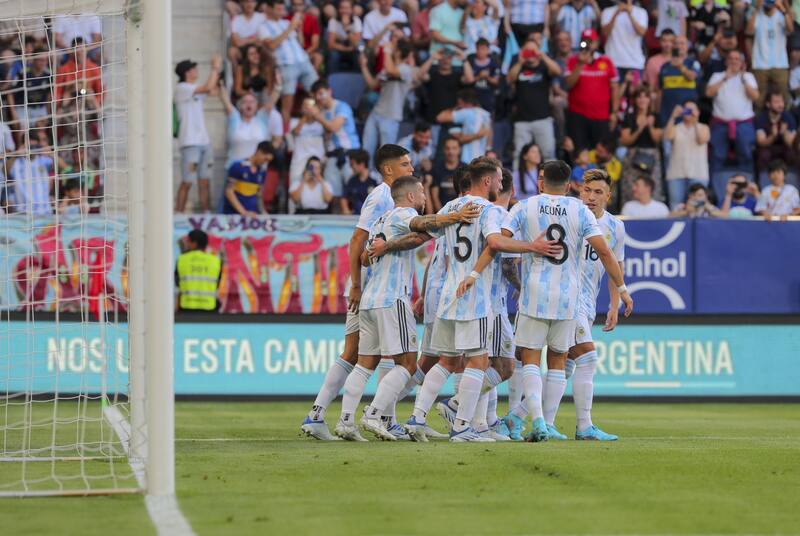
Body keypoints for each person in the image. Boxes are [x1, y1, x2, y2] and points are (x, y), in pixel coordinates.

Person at [462, 160, 631, 442]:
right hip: (569, 299)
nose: (590, 197)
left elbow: (497, 243)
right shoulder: (580, 211)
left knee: (536, 359)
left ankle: (529, 420)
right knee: (569, 360)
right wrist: (624, 289)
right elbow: (605, 253)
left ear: (542, 182)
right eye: (586, 190)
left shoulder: (524, 207)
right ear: (570, 187)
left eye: (597, 192)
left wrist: (474, 271)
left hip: (536, 295)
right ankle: (563, 424)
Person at [418, 157, 559, 442]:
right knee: (480, 362)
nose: (500, 183)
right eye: (498, 179)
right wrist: (533, 247)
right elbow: (495, 245)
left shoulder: (449, 208)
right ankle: (463, 425)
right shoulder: (491, 211)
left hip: (449, 293)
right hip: (479, 297)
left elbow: (422, 230)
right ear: (487, 181)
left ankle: (418, 417)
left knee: (447, 361)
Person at [336, 176, 482, 441]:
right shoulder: (405, 213)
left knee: (365, 363)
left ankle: (346, 420)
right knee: (407, 363)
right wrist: (454, 215)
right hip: (392, 299)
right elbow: (421, 223)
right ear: (412, 196)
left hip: (369, 301)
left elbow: (364, 259)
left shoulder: (382, 221)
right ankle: (375, 414)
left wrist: (386, 247)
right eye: (423, 192)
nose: (425, 197)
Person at [300, 144, 415, 441]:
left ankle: (320, 416)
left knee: (361, 355)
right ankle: (375, 418)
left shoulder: (393, 197)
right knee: (369, 354)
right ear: (388, 169)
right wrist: (355, 284)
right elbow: (357, 239)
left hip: (371, 287)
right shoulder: (382, 196)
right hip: (370, 288)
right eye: (405, 164)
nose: (411, 169)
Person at [705, 51, 759, 198]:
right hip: (721, 123)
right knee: (717, 157)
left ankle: (748, 192)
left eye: (737, 59)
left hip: (743, 123)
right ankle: (715, 193)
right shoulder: (718, 76)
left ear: (742, 63)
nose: (734, 62)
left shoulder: (748, 77)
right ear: (726, 62)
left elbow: (755, 96)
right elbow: (709, 93)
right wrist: (725, 78)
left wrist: (742, 78)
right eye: (731, 59)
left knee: (746, 156)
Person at [259, 0, 319, 127]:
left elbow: (301, 44)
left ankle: (313, 121)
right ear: (269, 9)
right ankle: (286, 134)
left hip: (303, 60)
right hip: (286, 65)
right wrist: (290, 28)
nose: (281, 12)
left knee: (317, 92)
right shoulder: (263, 27)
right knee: (288, 102)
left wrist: (299, 30)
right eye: (278, 9)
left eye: (282, 9)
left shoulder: (286, 22)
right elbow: (272, 45)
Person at [173, 55, 221, 213]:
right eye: (194, 68)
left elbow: (213, 90)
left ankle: (206, 213)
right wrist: (214, 68)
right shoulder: (182, 88)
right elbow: (208, 88)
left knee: (204, 180)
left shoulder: (192, 88)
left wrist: (219, 74)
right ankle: (178, 214)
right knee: (188, 181)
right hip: (190, 143)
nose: (197, 71)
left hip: (203, 142)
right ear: (187, 72)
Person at [360, 40, 418, 168]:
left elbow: (391, 70)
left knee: (386, 156)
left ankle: (386, 186)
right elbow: (372, 85)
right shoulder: (387, 70)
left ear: (397, 52)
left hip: (391, 117)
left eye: (394, 49)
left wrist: (386, 50)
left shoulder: (407, 69)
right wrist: (363, 66)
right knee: (366, 150)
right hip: (376, 113)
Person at [564, 29, 619, 151]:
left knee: (600, 152)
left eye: (591, 41)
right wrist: (579, 64)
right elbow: (568, 84)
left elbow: (615, 88)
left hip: (601, 116)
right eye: (585, 41)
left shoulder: (606, 61)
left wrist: (614, 112)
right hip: (578, 115)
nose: (588, 44)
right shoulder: (573, 60)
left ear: (597, 42)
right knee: (579, 153)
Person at [508, 35, 561, 162]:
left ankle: (551, 182)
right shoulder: (519, 66)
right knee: (519, 157)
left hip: (543, 119)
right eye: (527, 50)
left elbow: (557, 71)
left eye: (533, 50)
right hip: (522, 121)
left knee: (549, 156)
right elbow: (510, 79)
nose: (530, 54)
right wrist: (520, 62)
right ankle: (519, 181)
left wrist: (542, 56)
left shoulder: (543, 66)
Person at [307, 79, 361, 199]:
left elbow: (334, 127)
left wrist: (316, 115)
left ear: (329, 91)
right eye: (316, 95)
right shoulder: (322, 112)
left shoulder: (342, 107)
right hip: (332, 156)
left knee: (354, 194)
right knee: (332, 196)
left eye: (321, 93)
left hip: (350, 156)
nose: (318, 97)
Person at [620, 85, 663, 206]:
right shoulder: (629, 117)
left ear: (649, 99)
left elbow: (657, 140)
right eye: (639, 96)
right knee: (631, 189)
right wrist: (639, 129)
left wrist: (649, 126)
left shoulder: (656, 117)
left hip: (651, 155)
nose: (642, 99)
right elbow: (625, 141)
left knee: (653, 187)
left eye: (645, 96)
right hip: (633, 155)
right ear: (635, 100)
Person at [218, 89, 283, 168]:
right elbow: (226, 102)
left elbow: (271, 103)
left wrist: (277, 87)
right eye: (245, 102)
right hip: (235, 169)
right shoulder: (235, 119)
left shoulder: (261, 119)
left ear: (256, 106)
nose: (248, 104)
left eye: (252, 102)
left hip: (257, 170)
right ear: (240, 106)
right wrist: (221, 85)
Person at [747, 0, 793, 108]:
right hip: (760, 64)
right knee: (759, 100)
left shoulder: (781, 15)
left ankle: (785, 121)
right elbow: (748, 31)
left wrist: (783, 9)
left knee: (784, 97)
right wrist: (756, 9)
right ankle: (759, 123)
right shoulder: (757, 15)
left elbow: (790, 30)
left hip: (780, 63)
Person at [664, 101, 710, 208]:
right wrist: (673, 116)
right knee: (676, 207)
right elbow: (667, 137)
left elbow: (701, 140)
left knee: (699, 206)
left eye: (692, 109)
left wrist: (695, 122)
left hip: (698, 173)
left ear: (698, 112)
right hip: (676, 174)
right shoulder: (676, 127)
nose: (689, 112)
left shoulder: (703, 127)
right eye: (687, 109)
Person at [436, 89, 492, 164]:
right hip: (481, 158)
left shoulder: (466, 113)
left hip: (467, 158)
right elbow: (489, 136)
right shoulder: (486, 115)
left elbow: (440, 117)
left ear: (461, 102)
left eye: (459, 103)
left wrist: (455, 107)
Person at [657, 35, 701, 127]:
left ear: (687, 46)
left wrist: (680, 66)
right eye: (676, 43)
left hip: (688, 116)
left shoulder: (693, 63)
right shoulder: (665, 66)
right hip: (667, 116)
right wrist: (657, 113)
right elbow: (660, 91)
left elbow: (692, 76)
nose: (679, 46)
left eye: (682, 43)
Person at [222, 141, 275, 217]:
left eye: (268, 161)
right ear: (259, 152)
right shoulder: (237, 166)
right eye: (265, 159)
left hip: (252, 218)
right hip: (233, 217)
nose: (265, 162)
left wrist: (264, 213)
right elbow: (229, 192)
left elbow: (258, 195)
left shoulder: (262, 172)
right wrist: (243, 212)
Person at [755, 91, 797, 185]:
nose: (780, 105)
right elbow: (761, 142)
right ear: (768, 104)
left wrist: (784, 133)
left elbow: (792, 144)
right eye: (776, 102)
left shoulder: (788, 117)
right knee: (763, 155)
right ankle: (762, 181)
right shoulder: (761, 118)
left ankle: (791, 181)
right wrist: (773, 136)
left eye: (781, 102)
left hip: (784, 146)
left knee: (792, 154)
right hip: (768, 146)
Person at [175, 230, 222, 313]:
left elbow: (177, 282)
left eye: (188, 242)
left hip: (186, 307)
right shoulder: (215, 261)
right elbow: (218, 283)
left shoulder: (182, 259)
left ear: (194, 243)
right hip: (209, 307)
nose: (187, 244)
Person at [600, 0, 648, 79]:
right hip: (613, 62)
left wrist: (630, 14)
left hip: (635, 63)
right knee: (615, 90)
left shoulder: (641, 12)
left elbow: (641, 32)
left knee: (635, 91)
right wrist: (616, 13)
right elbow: (605, 33)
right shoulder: (607, 11)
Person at [326, 0, 362, 72]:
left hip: (353, 49)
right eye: (342, 8)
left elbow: (356, 44)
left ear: (351, 10)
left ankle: (357, 80)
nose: (344, 11)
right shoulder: (333, 21)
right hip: (339, 49)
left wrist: (346, 28)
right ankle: (331, 79)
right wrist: (346, 49)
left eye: (347, 8)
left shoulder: (356, 21)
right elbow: (330, 44)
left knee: (359, 56)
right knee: (333, 55)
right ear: (338, 9)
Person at [466, 38, 501, 114]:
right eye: (478, 49)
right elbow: (466, 80)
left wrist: (487, 77)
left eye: (483, 49)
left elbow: (497, 81)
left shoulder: (494, 63)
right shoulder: (470, 61)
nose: (480, 51)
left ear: (488, 50)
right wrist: (479, 76)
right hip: (472, 98)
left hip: (488, 98)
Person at [429, 136, 464, 211]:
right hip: (440, 213)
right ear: (444, 150)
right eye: (447, 148)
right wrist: (442, 215)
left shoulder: (465, 169)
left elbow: (466, 195)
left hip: (460, 212)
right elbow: (434, 196)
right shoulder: (436, 168)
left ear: (459, 150)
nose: (450, 152)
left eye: (454, 148)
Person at [289, 0, 323, 71]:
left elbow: (315, 44)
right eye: (294, 5)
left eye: (300, 5)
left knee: (318, 57)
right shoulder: (285, 19)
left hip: (307, 51)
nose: (297, 7)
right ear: (291, 6)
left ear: (304, 6)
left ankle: (313, 79)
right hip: (291, 53)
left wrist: (304, 54)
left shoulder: (312, 19)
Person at [341, 149, 377, 214]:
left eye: (352, 164)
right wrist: (345, 209)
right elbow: (344, 197)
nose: (351, 167)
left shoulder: (375, 180)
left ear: (361, 164)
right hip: (355, 218)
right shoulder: (352, 181)